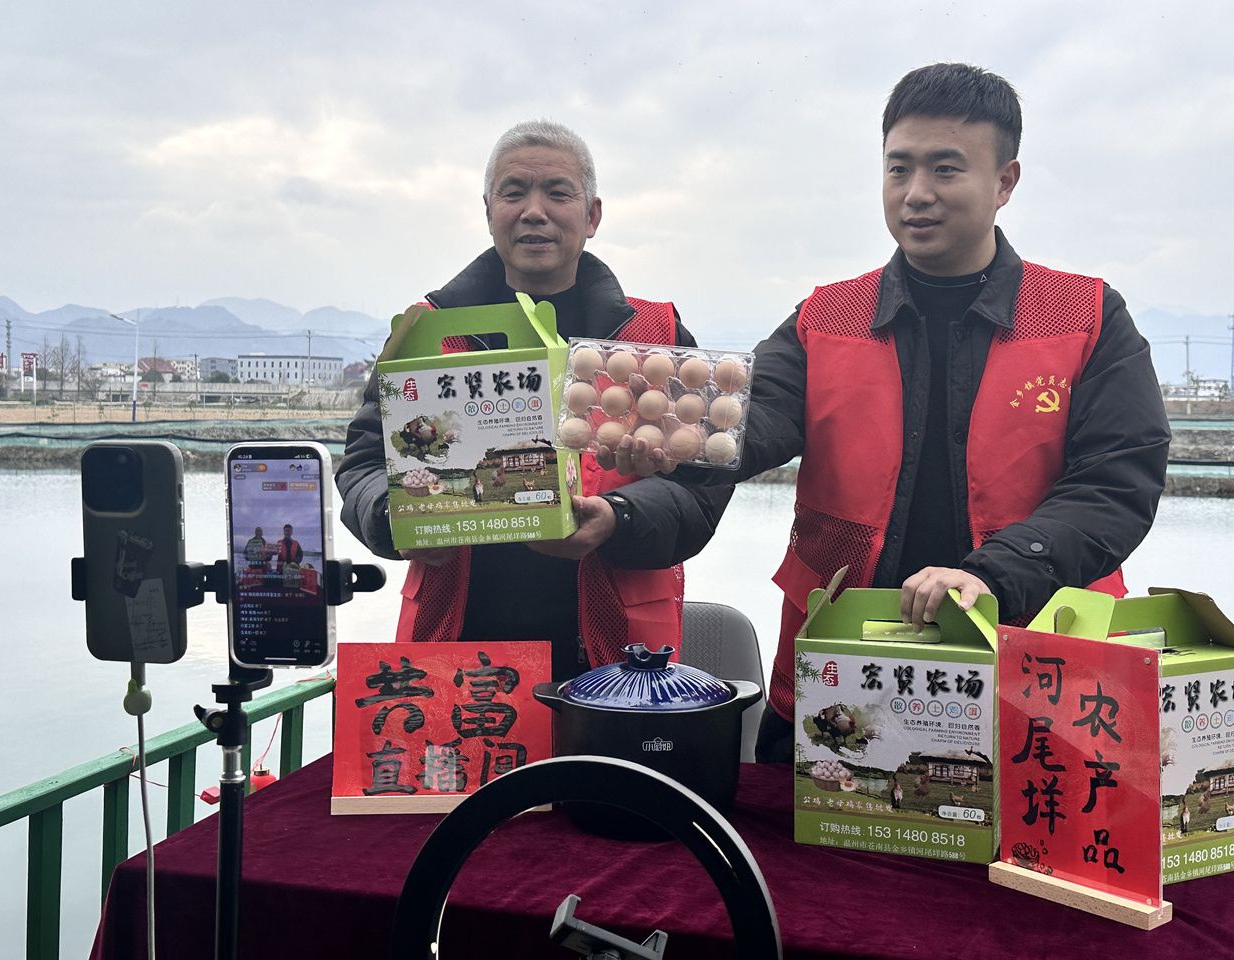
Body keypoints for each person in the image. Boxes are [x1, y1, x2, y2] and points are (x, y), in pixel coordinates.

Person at [602, 63, 1170, 761]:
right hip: (843, 676)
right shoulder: (825, 317)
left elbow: (1117, 480)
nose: (916, 192)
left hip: (1033, 672)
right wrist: (673, 437)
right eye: (899, 168)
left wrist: (993, 574)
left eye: (945, 169)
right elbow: (757, 415)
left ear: (1005, 182)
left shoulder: (1084, 316)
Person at [337, 120, 733, 683]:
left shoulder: (653, 338)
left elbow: (705, 481)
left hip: (618, 656)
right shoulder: (428, 332)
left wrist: (620, 517)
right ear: (488, 210)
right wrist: (394, 517)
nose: (534, 211)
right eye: (514, 192)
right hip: (457, 647)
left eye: (557, 192)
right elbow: (362, 462)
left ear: (592, 215)